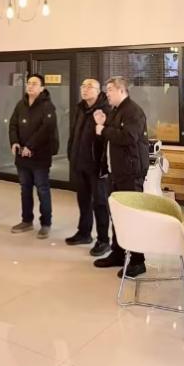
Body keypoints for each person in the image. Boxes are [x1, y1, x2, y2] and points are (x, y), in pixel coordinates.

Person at [93, 76, 151, 278]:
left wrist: (104, 129)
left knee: (132, 217)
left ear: (121, 90)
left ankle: (138, 260)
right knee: (116, 215)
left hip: (130, 174)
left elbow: (128, 137)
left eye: (110, 89)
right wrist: (103, 123)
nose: (107, 93)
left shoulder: (133, 111)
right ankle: (118, 252)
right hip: (115, 172)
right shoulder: (116, 111)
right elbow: (112, 134)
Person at [8, 73, 58, 239]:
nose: (30, 86)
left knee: (42, 190)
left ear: (42, 88)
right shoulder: (20, 104)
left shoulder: (47, 106)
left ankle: (46, 223)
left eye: (34, 83)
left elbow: (47, 129)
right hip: (22, 156)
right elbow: (13, 125)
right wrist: (14, 142)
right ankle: (27, 221)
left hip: (40, 156)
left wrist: (30, 146)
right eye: (28, 83)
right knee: (25, 189)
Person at [67, 78, 111, 256]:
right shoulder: (80, 108)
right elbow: (74, 134)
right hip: (80, 163)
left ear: (98, 91)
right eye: (83, 86)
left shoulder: (105, 110)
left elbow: (107, 138)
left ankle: (103, 240)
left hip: (97, 166)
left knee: (100, 203)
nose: (84, 89)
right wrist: (71, 154)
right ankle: (84, 233)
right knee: (83, 200)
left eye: (89, 87)